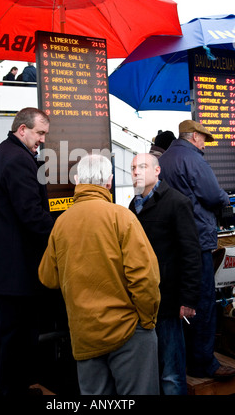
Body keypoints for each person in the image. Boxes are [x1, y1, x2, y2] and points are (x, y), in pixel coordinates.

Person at [39, 154, 161, 395]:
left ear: (77, 181)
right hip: (128, 330)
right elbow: (145, 276)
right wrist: (147, 320)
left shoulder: (61, 223)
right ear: (109, 182)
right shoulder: (122, 217)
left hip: (84, 333)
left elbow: (48, 277)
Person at [0, 107, 55, 396]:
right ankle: (15, 391)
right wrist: (63, 233)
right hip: (14, 272)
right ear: (22, 129)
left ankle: (13, 388)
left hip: (0, 271)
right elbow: (31, 215)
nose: (42, 140)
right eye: (40, 133)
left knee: (6, 337)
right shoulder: (18, 160)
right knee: (18, 338)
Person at [159, 119, 235, 380]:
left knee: (182, 304)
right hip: (197, 239)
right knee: (202, 301)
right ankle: (204, 363)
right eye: (203, 138)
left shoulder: (165, 158)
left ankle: (186, 361)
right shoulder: (194, 159)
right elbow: (213, 195)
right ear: (193, 137)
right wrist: (226, 199)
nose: (205, 144)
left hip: (172, 243)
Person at [129, 153, 202, 394]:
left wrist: (189, 299)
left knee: (171, 373)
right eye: (132, 168)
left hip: (168, 300)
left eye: (142, 167)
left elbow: (191, 253)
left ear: (157, 171)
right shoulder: (133, 205)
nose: (136, 172)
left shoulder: (177, 202)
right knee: (149, 370)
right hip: (141, 300)